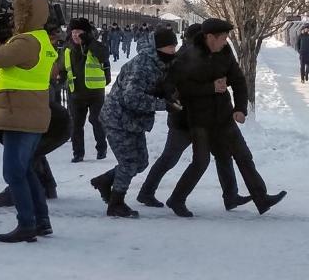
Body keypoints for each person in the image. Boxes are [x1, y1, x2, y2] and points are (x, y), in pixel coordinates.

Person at [165, 18, 287, 217]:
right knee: (201, 162)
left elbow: (238, 80)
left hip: (223, 115)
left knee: (243, 156)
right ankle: (177, 199)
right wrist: (210, 87)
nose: (225, 42)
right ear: (209, 37)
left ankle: (260, 197)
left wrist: (240, 108)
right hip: (200, 120)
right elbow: (178, 89)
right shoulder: (188, 55)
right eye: (222, 38)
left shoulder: (225, 52)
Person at [136, 24, 251, 210]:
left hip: (204, 120)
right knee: (171, 157)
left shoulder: (206, 55)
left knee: (223, 155)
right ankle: (147, 192)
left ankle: (231, 195)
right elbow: (177, 90)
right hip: (183, 121)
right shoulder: (183, 58)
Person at [0, 0, 55, 243]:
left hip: (20, 114)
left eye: (17, 12)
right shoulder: (40, 39)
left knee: (13, 172)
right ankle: (41, 221)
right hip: (31, 113)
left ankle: (27, 224)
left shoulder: (26, 42)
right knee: (24, 170)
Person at [90, 28, 180, 218]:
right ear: (158, 47)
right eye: (169, 47)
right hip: (117, 119)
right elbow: (131, 97)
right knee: (130, 162)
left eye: (174, 46)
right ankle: (116, 203)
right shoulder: (143, 64)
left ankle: (105, 181)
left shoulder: (160, 63)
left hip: (133, 121)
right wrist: (164, 105)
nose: (173, 50)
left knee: (141, 162)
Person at [59, 17, 110, 162]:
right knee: (76, 124)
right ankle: (78, 153)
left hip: (95, 92)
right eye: (73, 31)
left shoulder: (95, 46)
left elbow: (104, 55)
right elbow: (62, 66)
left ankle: (101, 148)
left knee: (96, 120)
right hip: (75, 92)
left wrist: (90, 41)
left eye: (79, 31)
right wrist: (60, 78)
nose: (76, 35)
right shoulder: (67, 48)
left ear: (86, 32)